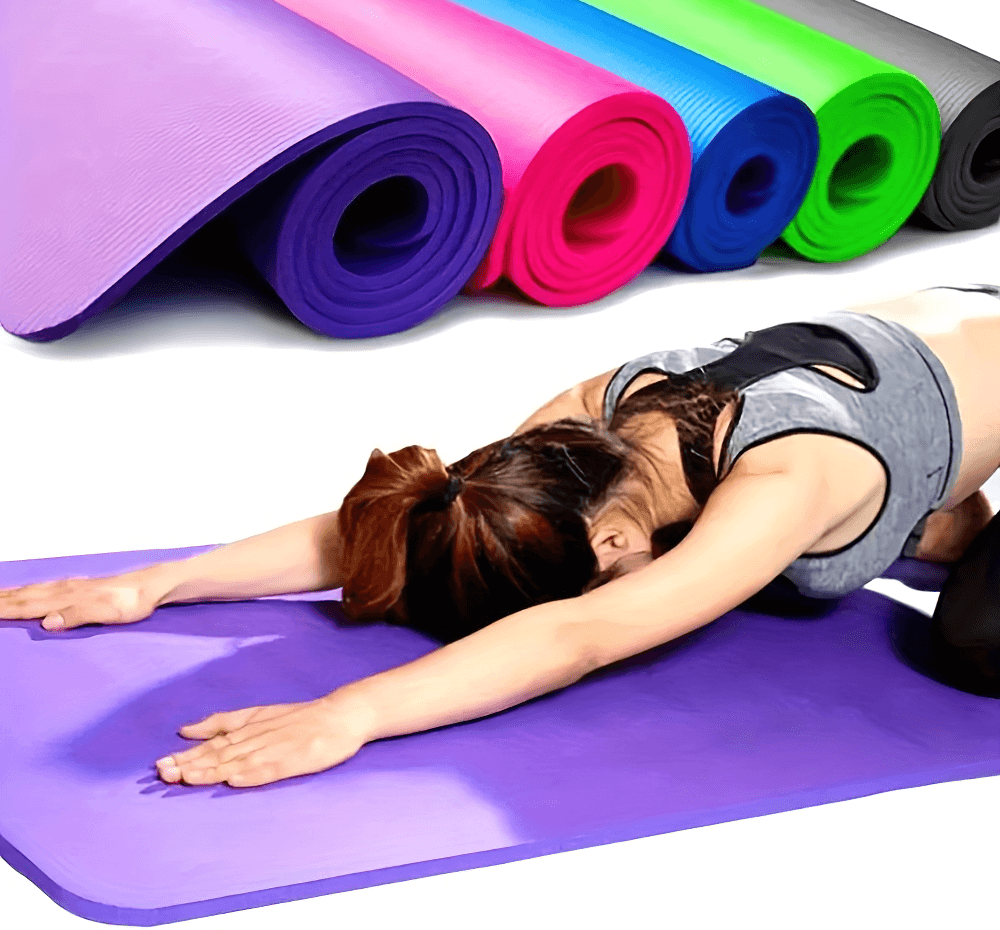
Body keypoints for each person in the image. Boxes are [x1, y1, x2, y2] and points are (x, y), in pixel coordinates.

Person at [2, 285, 999, 788]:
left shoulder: (783, 476)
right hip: (927, 346)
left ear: (609, 544)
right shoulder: (581, 420)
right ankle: (929, 516)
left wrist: (350, 712)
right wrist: (160, 584)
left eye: (586, 579)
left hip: (934, 355)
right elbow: (424, 510)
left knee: (970, 644)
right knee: (756, 578)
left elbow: (579, 636)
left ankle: (930, 518)